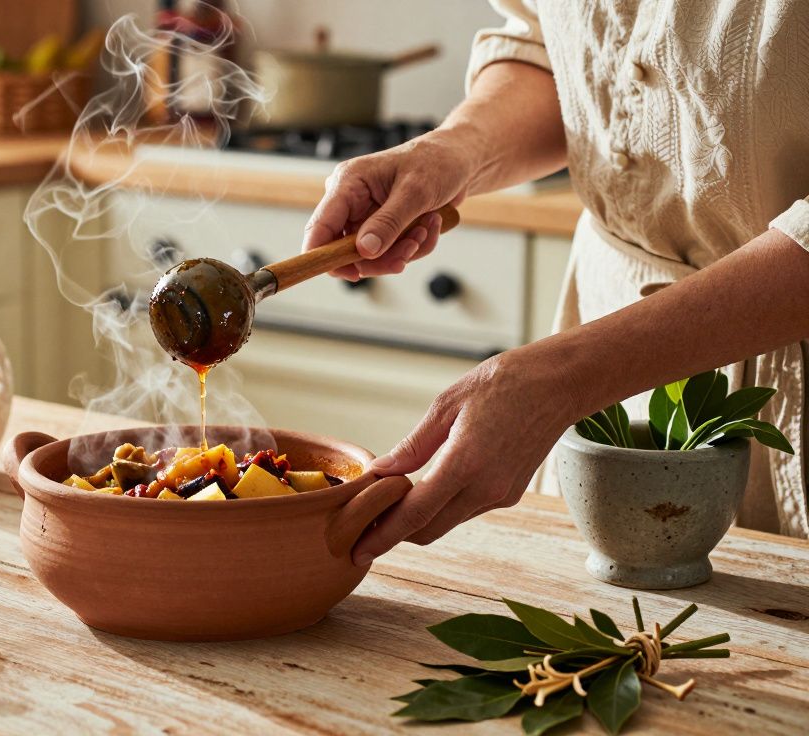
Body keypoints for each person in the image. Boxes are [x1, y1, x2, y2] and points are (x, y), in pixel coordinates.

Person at [302, 1, 809, 564]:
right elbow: (553, 48)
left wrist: (566, 377)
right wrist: (454, 150)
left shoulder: (565, 380)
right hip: (604, 346)